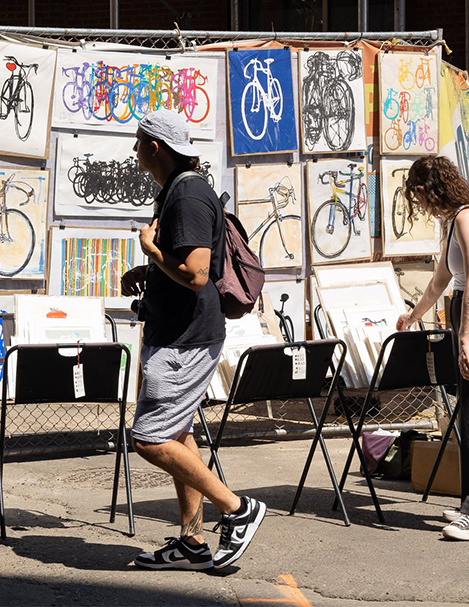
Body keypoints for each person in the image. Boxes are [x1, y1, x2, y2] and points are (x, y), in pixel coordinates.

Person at [120, 109, 266, 571]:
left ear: (156, 147)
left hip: (185, 339)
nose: (136, 149)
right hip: (180, 333)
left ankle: (237, 508)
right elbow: (189, 264)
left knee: (147, 438)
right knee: (179, 435)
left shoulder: (186, 195)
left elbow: (198, 273)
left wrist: (151, 251)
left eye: (139, 141)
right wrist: (147, 272)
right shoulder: (180, 191)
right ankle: (192, 541)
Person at [396, 156, 469, 541]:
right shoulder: (456, 220)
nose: (421, 206)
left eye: (418, 197)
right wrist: (413, 316)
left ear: (423, 190)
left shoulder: (465, 217)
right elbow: (440, 282)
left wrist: (464, 338)